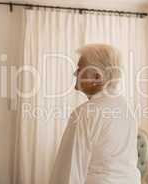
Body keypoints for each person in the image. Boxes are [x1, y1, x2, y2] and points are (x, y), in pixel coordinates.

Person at [50, 44, 140, 184]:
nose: (75, 73)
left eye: (80, 69)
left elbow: (68, 173)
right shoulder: (127, 108)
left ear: (97, 77)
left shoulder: (84, 114)